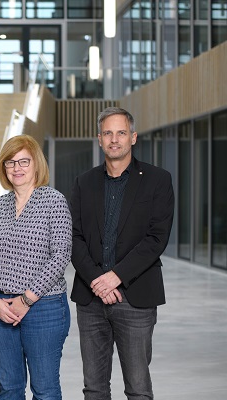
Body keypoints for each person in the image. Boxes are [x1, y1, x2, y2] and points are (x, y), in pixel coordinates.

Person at [70, 107, 175, 399]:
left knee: (138, 389)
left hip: (136, 298)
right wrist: (97, 281)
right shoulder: (84, 182)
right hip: (91, 300)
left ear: (133, 137)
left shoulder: (158, 180)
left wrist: (114, 277)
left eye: (121, 133)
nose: (114, 139)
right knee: (94, 388)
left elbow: (156, 239)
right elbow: (74, 239)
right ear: (99, 139)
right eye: (107, 133)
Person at [0, 135, 72, 400]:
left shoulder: (54, 201)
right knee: (9, 390)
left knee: (45, 390)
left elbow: (60, 256)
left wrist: (26, 299)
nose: (16, 168)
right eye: (10, 162)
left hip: (44, 308)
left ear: (36, 164)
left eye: (23, 161)